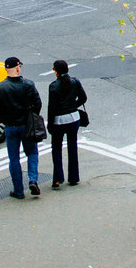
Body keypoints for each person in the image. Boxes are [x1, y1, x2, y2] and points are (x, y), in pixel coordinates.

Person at [0, 56, 42, 200]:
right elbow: (37, 103)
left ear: (6, 69)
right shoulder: (28, 84)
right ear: (18, 68)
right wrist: (31, 117)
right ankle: (33, 180)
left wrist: (6, 120)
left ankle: (18, 190)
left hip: (11, 126)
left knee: (14, 158)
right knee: (32, 153)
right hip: (27, 125)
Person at [48, 59, 87, 190]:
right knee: (72, 147)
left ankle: (58, 178)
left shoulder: (53, 86)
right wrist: (73, 106)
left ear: (55, 71)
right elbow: (83, 98)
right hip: (74, 118)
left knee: (56, 149)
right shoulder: (75, 81)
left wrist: (50, 124)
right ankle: (74, 177)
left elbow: (51, 108)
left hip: (59, 120)